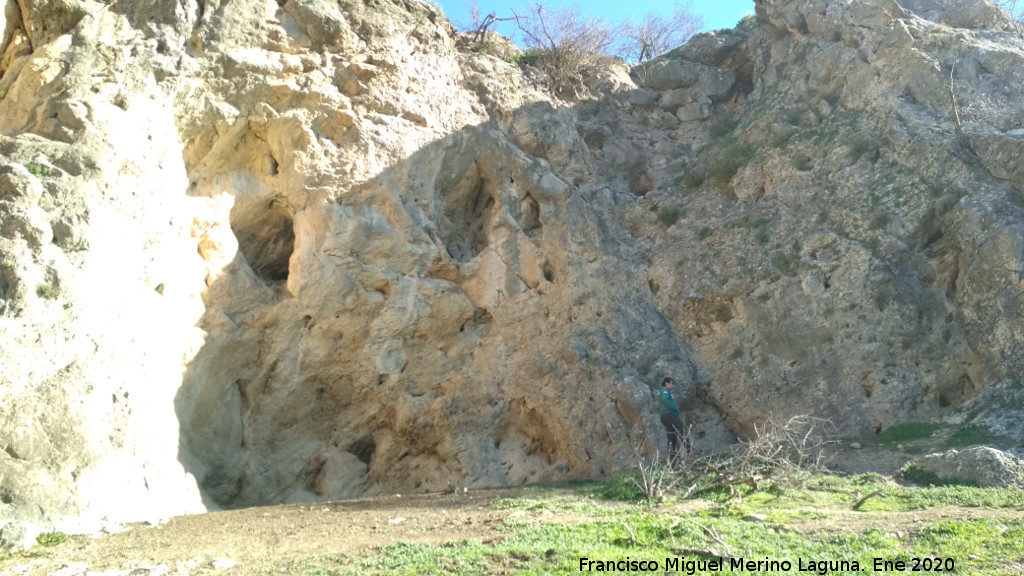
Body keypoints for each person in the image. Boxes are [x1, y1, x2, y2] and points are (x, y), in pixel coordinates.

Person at [658, 377, 689, 461]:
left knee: (672, 437)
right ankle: (690, 451)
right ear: (666, 383)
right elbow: (666, 399)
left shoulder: (666, 391)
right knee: (681, 430)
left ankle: (672, 459)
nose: (673, 386)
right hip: (669, 415)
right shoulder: (664, 390)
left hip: (665, 417)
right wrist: (675, 409)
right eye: (671, 383)